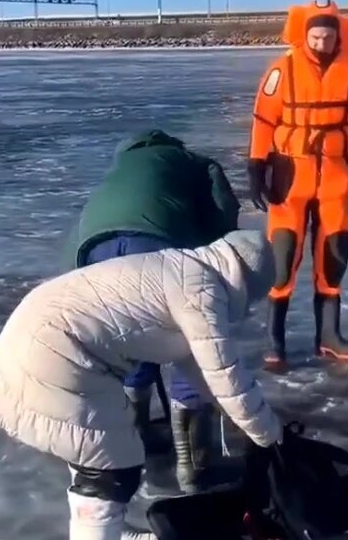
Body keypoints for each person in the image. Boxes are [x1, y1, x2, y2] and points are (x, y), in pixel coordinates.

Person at [0, 229, 284, 540]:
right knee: (109, 470)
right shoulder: (202, 289)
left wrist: (249, 423)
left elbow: (204, 373)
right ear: (248, 282)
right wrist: (272, 437)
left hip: (37, 343)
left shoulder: (183, 269)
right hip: (51, 356)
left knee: (96, 457)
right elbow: (226, 376)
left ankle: (110, 531)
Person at [60, 128, 242, 492]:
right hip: (159, 243)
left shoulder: (117, 172)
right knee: (185, 344)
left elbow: (78, 237)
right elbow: (225, 213)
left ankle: (135, 443)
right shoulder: (196, 164)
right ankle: (195, 466)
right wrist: (216, 273)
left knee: (132, 341)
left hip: (93, 252)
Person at [246, 0, 348, 370]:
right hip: (289, 178)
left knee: (333, 256)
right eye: (315, 36)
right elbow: (264, 121)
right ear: (304, 35)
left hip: (337, 178)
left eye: (328, 36)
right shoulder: (281, 70)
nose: (321, 43)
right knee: (284, 259)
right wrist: (254, 168)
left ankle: (328, 336)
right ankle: (274, 341)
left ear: (338, 36)